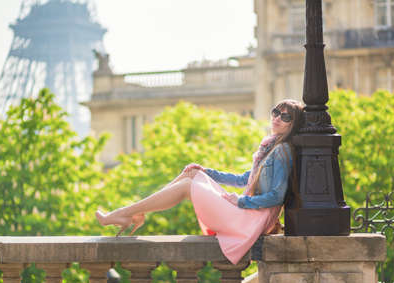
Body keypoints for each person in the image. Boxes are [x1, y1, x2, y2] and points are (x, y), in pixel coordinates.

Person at [96, 99, 304, 264]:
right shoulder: (269, 148)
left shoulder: (283, 151)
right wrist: (207, 171)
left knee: (188, 185)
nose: (277, 118)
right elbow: (243, 179)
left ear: (293, 125)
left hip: (250, 219)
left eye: (285, 117)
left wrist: (240, 202)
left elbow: (277, 196)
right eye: (276, 112)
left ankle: (125, 214)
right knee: (192, 174)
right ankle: (132, 213)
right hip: (246, 214)